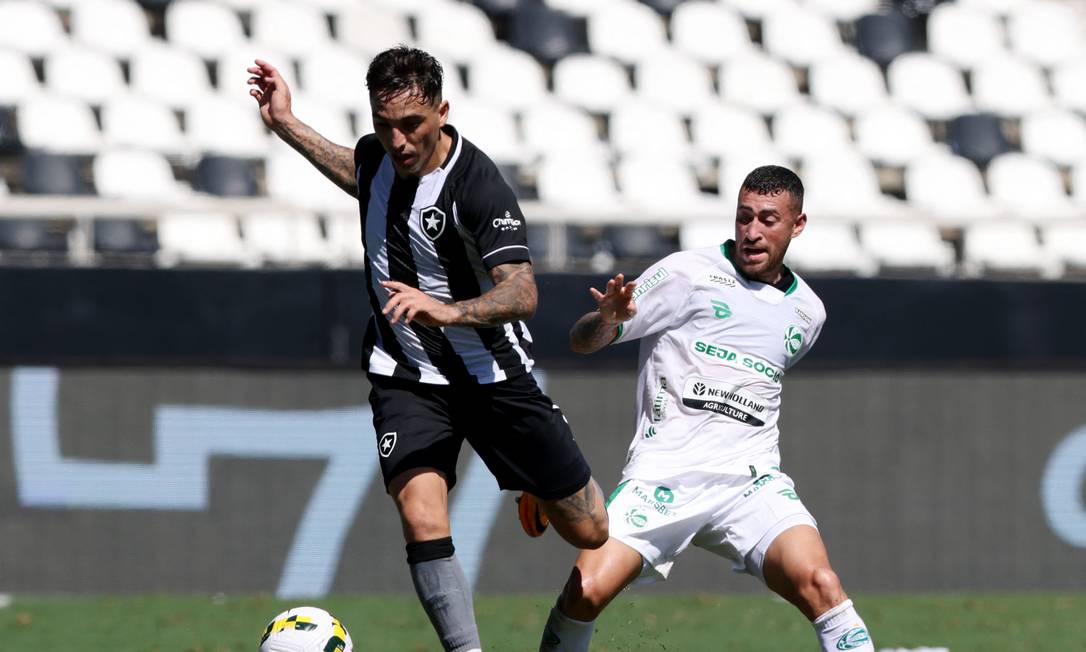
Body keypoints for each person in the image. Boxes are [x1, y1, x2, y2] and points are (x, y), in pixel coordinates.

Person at [247, 46, 608, 652]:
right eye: (384, 125)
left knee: (592, 531)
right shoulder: (378, 156)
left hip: (492, 374)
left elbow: (523, 291)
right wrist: (285, 122)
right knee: (421, 514)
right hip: (407, 372)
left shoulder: (477, 185)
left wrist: (452, 311)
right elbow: (354, 168)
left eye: (412, 125)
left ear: (441, 112)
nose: (399, 141)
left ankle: (538, 496)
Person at [539, 166, 874, 651]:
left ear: (797, 225)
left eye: (768, 219)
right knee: (584, 594)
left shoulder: (808, 312)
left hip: (749, 482)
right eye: (743, 217)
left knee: (822, 584)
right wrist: (605, 319)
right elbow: (584, 340)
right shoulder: (685, 273)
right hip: (664, 475)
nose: (752, 232)